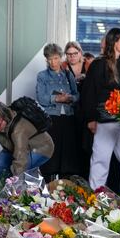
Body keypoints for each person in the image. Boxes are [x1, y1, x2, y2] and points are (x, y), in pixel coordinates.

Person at [80, 27, 120, 197]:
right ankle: (95, 198)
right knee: (100, 160)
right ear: (114, 42)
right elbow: (89, 92)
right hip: (104, 121)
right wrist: (90, 118)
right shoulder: (99, 64)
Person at [36, 43, 80, 178]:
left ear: (60, 58)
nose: (52, 62)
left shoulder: (68, 75)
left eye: (55, 58)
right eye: (49, 59)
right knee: (51, 152)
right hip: (51, 117)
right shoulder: (42, 76)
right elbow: (41, 98)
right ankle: (48, 184)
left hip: (68, 117)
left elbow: (77, 95)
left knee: (67, 152)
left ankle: (64, 183)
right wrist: (57, 98)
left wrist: (69, 98)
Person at [0, 102, 54, 182]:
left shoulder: (18, 129)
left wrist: (17, 176)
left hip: (41, 147)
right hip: (17, 146)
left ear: (5, 118)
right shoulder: (1, 124)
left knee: (22, 169)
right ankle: (9, 190)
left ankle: (23, 191)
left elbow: (20, 158)